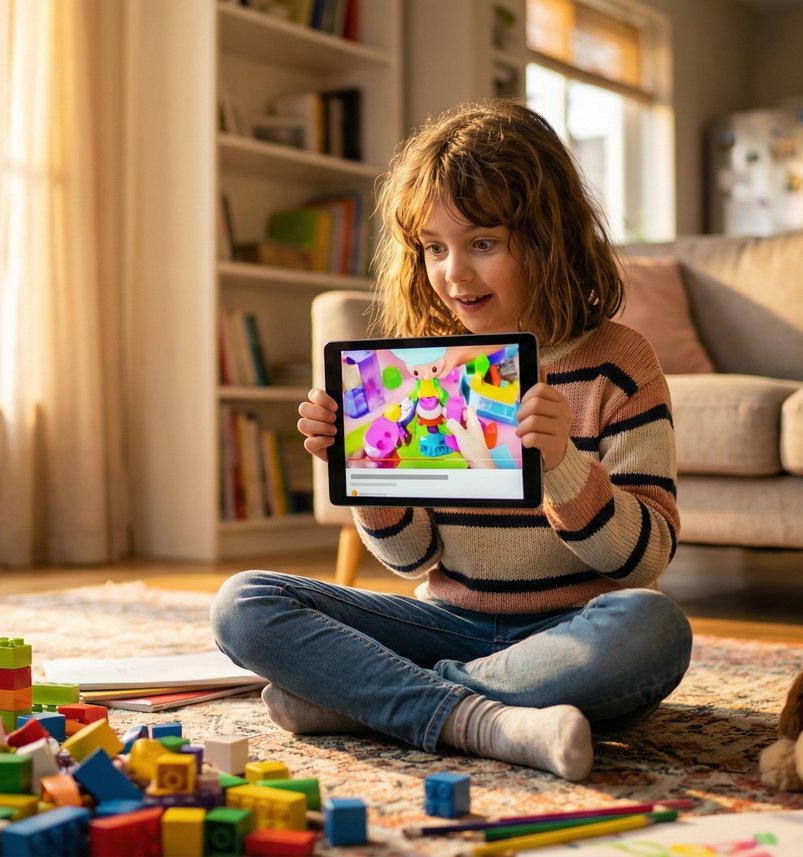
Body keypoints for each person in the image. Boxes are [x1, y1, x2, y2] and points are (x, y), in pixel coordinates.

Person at [210, 100, 691, 782]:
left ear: (547, 236)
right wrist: (365, 470)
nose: (453, 274)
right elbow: (411, 558)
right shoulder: (424, 369)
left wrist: (562, 465)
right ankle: (484, 719)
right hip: (446, 621)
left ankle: (371, 698)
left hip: (570, 632)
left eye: (482, 244)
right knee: (243, 603)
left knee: (654, 629)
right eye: (434, 248)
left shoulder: (619, 361)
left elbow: (641, 562)